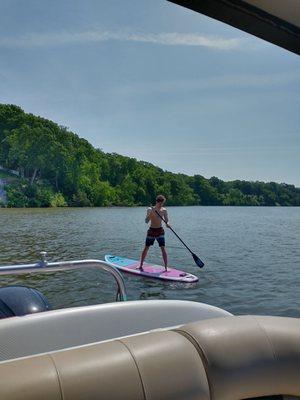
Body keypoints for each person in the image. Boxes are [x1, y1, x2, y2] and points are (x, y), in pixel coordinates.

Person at [138, 194, 170, 272]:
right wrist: (151, 213)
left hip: (160, 231)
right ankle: (140, 265)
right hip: (152, 230)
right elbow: (146, 221)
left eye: (162, 203)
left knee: (163, 248)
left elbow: (167, 220)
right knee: (146, 248)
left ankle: (166, 267)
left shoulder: (164, 210)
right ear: (157, 202)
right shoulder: (150, 209)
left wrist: (168, 223)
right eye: (160, 203)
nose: (161, 205)